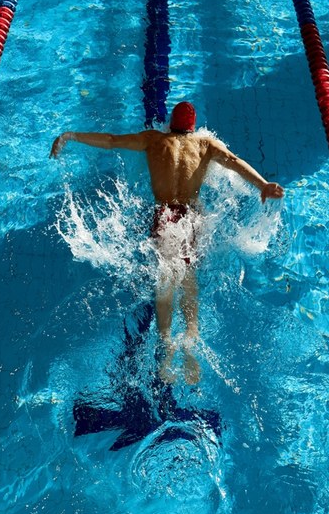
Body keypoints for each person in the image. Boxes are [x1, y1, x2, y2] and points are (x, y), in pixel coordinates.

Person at [51, 101, 283, 384]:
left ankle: (165, 344)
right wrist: (263, 186)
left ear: (170, 124)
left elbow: (111, 142)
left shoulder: (153, 139)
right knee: (188, 277)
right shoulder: (205, 144)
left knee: (165, 277)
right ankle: (191, 339)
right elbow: (235, 163)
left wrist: (71, 136)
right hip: (190, 217)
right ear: (193, 127)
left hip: (165, 215)